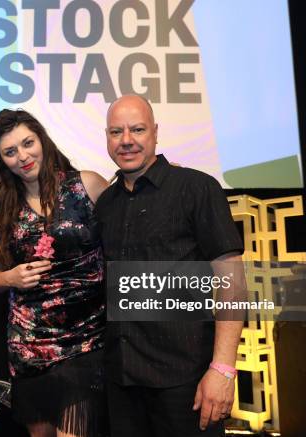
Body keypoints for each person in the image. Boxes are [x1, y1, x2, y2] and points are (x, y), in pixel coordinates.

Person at [95, 95, 245, 437]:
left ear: (156, 133)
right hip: (122, 383)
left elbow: (232, 281)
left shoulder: (196, 188)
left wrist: (222, 369)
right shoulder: (106, 204)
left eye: (137, 129)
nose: (127, 140)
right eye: (116, 131)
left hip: (186, 384)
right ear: (107, 137)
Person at [0, 109, 109, 437]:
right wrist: (9, 278)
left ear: (42, 140)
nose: (22, 156)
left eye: (28, 143)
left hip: (86, 340)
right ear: (1, 158)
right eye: (10, 152)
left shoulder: (88, 185)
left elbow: (128, 235)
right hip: (28, 345)